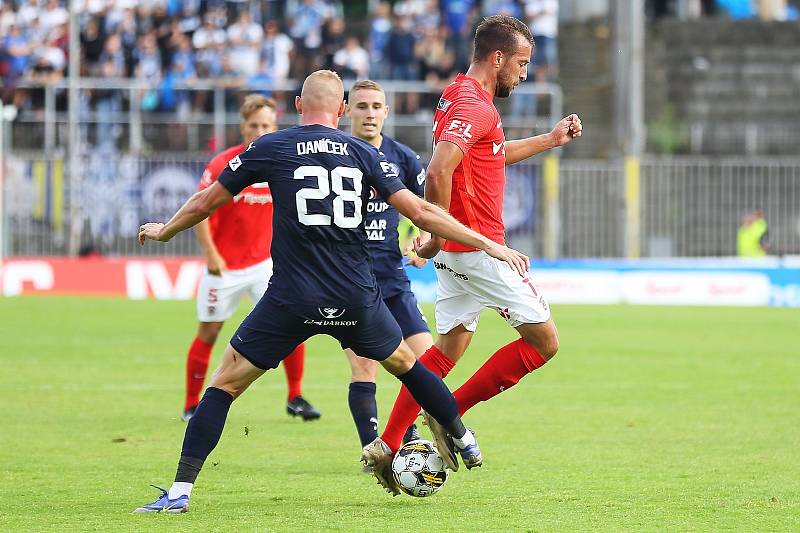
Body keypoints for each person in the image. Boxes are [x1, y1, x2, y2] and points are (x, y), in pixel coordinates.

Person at [134, 70, 530, 511]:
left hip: (292, 297)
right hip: (356, 296)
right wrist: (488, 242)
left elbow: (208, 200)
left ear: (299, 107)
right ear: (343, 111)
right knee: (411, 367)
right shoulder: (363, 152)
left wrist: (167, 230)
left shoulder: (271, 146)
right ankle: (461, 434)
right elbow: (420, 210)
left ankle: (181, 492)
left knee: (224, 385)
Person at [364, 15, 583, 488]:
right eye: (521, 63)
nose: (524, 74)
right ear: (497, 58)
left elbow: (488, 155)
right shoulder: (474, 105)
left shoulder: (461, 96)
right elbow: (439, 171)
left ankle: (390, 441)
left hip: (458, 252)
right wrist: (439, 236)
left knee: (444, 353)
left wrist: (549, 140)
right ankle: (450, 413)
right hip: (478, 249)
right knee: (545, 343)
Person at [181, 94, 320, 423]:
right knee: (209, 332)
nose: (260, 131)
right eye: (254, 125)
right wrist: (211, 253)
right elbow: (199, 209)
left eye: (266, 126)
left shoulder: (282, 163)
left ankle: (295, 395)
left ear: (275, 127)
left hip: (266, 266)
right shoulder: (223, 164)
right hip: (225, 266)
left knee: (293, 325)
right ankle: (190, 403)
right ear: (242, 127)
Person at [343, 80, 431, 460]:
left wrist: (425, 242)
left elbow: (429, 206)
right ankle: (374, 449)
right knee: (366, 367)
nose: (369, 113)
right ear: (347, 110)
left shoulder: (403, 157)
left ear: (386, 112)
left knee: (427, 362)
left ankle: (404, 434)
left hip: (394, 279)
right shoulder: (337, 155)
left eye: (376, 106)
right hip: (351, 281)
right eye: (361, 106)